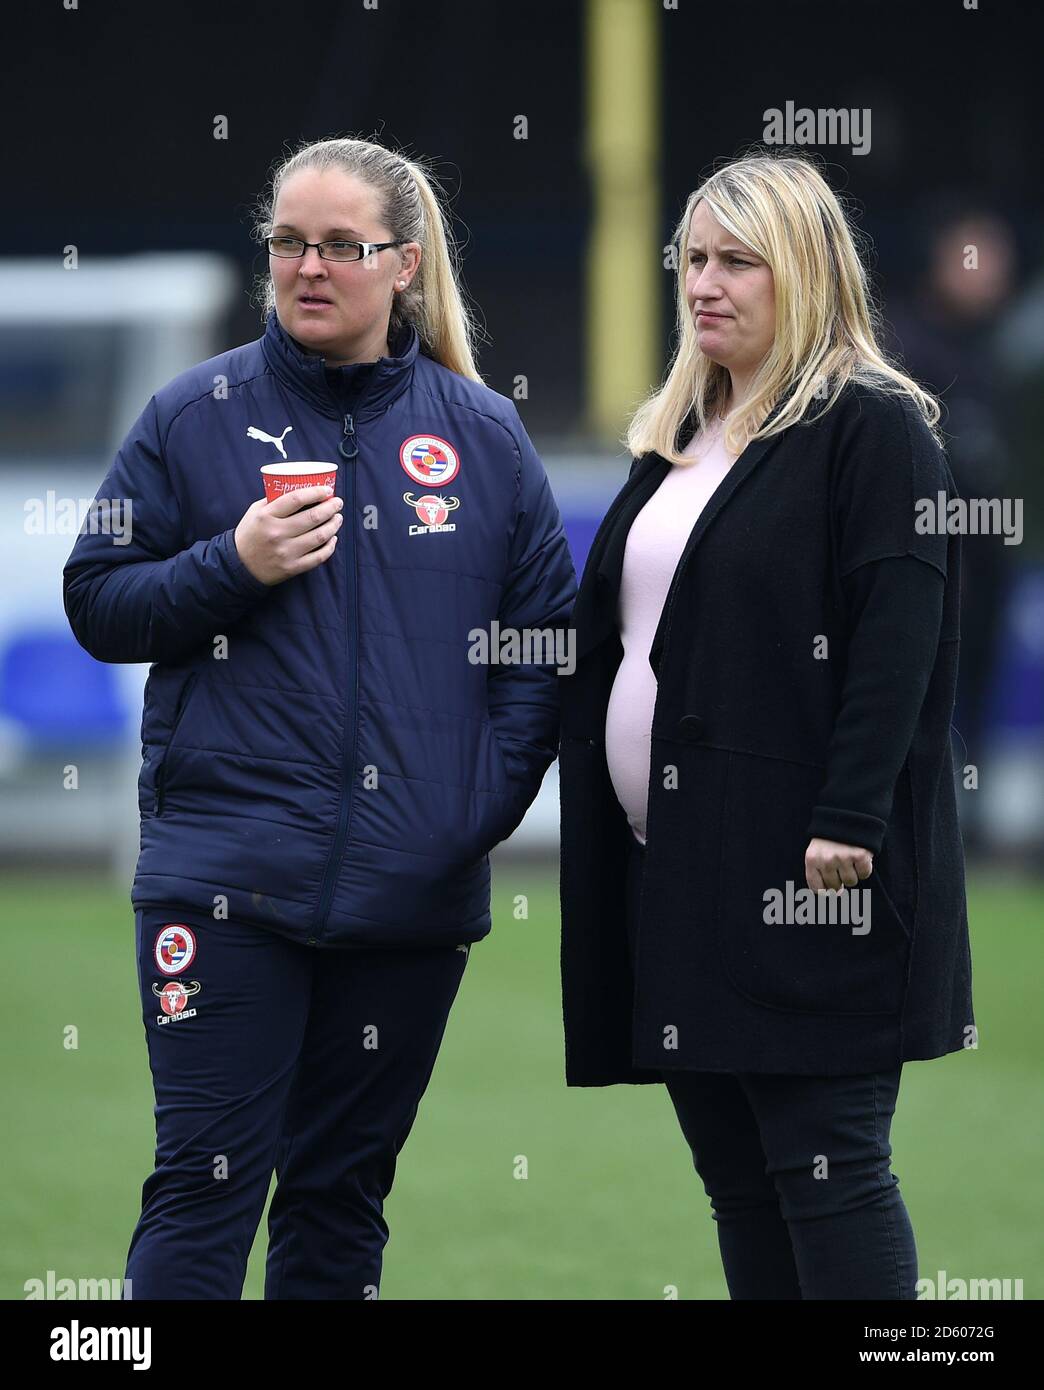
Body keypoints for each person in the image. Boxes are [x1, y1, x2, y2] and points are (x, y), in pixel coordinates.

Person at [63, 135, 576, 1300]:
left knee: (341, 1203)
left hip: (409, 895)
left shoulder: (485, 439)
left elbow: (542, 648)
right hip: (224, 881)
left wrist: (469, 809)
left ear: (402, 262)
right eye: (288, 242)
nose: (307, 267)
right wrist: (230, 564)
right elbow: (96, 601)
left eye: (340, 245)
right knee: (203, 1183)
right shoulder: (195, 414)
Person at [558, 150, 975, 1300]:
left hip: (809, 875)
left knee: (829, 1171)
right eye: (692, 257)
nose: (706, 283)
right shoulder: (678, 440)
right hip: (678, 871)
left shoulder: (872, 427)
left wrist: (847, 817)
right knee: (740, 1181)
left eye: (739, 260)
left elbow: (900, 641)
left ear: (807, 272)